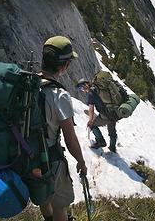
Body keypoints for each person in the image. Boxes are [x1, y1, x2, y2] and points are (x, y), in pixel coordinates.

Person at [37, 36, 87, 221]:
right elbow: (70, 139)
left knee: (42, 193)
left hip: (27, 154)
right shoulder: (59, 96)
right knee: (61, 204)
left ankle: (47, 218)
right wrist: (81, 161)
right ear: (64, 66)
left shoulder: (28, 84)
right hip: (50, 158)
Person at [76, 79, 118, 153]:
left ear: (86, 85)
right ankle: (112, 147)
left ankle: (101, 141)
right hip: (114, 112)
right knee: (112, 131)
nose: (82, 90)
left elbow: (91, 109)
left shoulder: (91, 94)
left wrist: (90, 120)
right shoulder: (98, 88)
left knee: (92, 125)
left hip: (105, 115)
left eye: (81, 88)